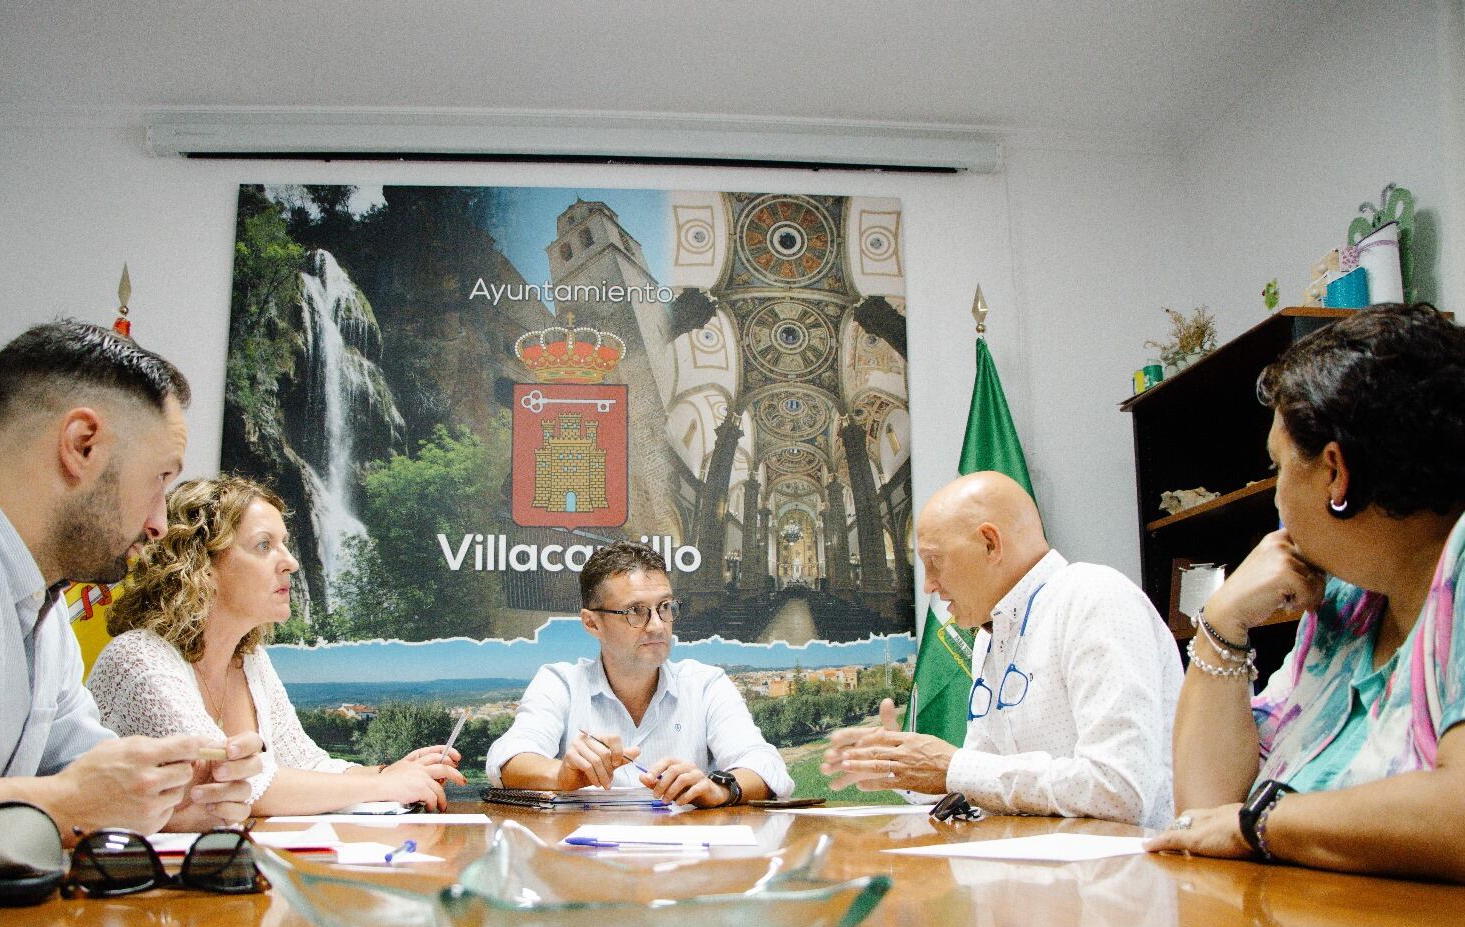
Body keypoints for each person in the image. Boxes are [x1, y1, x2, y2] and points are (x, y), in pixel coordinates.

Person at [0, 319, 263, 836]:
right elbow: (63, 796)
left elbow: (71, 770)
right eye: (160, 478)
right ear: (82, 444)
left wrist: (171, 800)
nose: (160, 524)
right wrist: (61, 803)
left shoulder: (41, 610)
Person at [1148, 304, 1465, 881]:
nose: (1275, 497)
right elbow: (1201, 810)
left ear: (1334, 472)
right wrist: (1221, 622)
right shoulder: (1347, 600)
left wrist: (1260, 823)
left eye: (1277, 468)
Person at [821, 471, 1182, 827]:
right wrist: (902, 767)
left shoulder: (1095, 598)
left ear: (990, 543)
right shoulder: (989, 636)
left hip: (1120, 877)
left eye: (934, 561)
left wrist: (954, 768)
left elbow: (1119, 790)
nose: (929, 585)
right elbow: (986, 782)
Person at [89, 475, 465, 814]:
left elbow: (305, 765)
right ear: (199, 565)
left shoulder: (248, 660)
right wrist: (381, 785)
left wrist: (389, 771)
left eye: (284, 545)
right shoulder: (139, 661)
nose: (290, 563)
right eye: (264, 545)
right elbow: (236, 787)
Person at [486, 542, 793, 807]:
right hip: (586, 863)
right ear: (592, 623)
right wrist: (562, 776)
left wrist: (719, 789)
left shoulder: (705, 684)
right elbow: (508, 760)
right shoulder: (561, 682)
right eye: (636, 611)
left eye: (664, 607)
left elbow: (766, 766)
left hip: (680, 863)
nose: (658, 625)